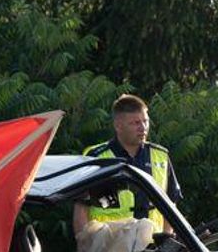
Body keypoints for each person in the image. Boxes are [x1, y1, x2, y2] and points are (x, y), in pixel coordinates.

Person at [72, 94, 183, 236]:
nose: (143, 128)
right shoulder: (96, 157)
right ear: (118, 126)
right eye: (135, 123)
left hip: (153, 248)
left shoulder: (160, 156)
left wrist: (167, 241)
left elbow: (171, 205)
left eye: (145, 121)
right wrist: (86, 245)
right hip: (109, 248)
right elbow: (81, 207)